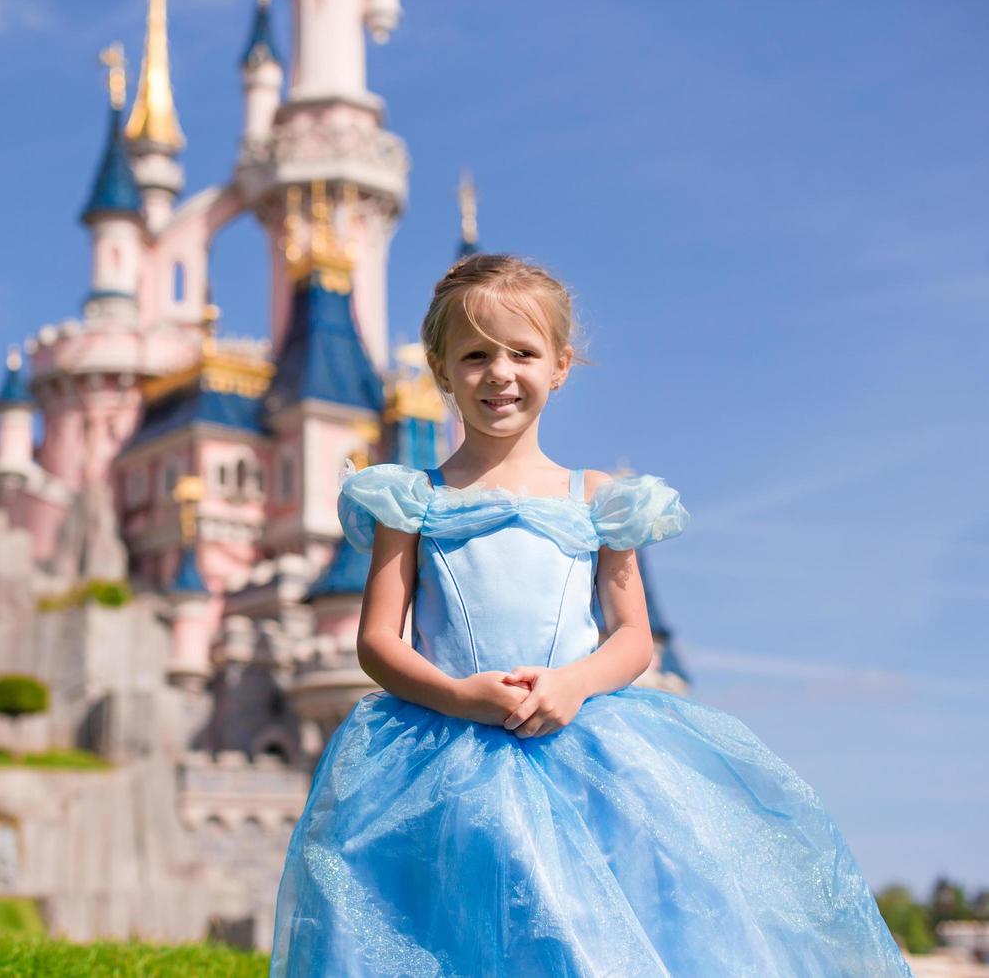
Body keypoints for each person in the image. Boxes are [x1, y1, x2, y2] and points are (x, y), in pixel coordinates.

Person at [267, 254, 912, 977]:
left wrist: (573, 684)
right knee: (451, 933)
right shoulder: (411, 499)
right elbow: (379, 641)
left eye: (522, 352)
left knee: (581, 930)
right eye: (475, 355)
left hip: (579, 748)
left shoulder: (599, 497)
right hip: (440, 752)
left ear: (561, 365)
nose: (500, 373)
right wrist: (458, 696)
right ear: (441, 370)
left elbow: (633, 636)